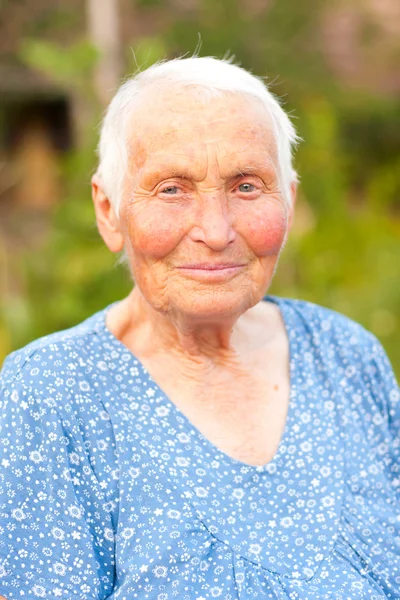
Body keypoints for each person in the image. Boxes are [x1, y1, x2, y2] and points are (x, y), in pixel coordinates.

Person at [0, 56, 399, 600]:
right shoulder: (52, 394)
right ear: (109, 210)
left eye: (247, 186)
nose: (215, 230)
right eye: (171, 189)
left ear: (291, 200)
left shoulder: (348, 355)